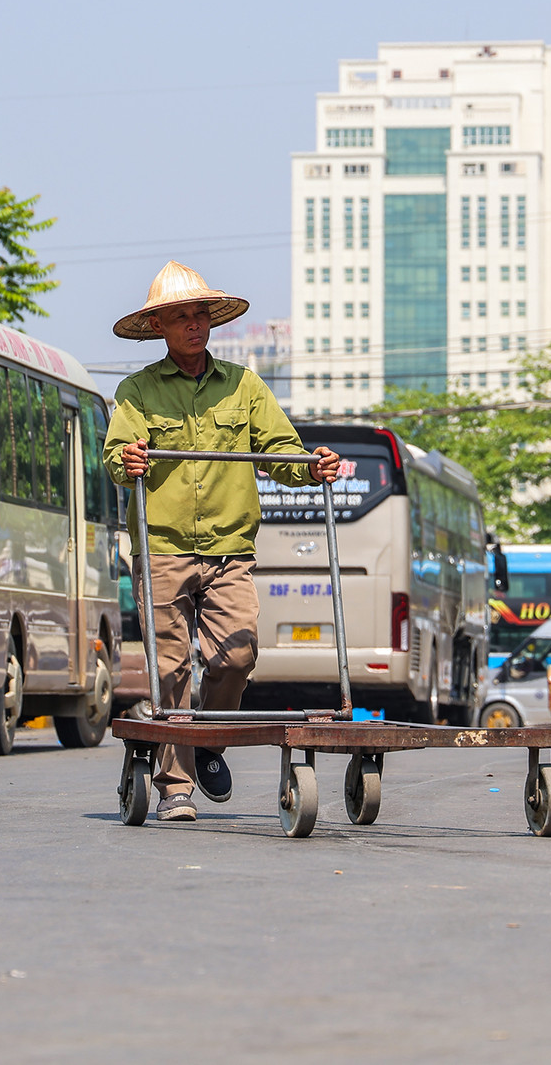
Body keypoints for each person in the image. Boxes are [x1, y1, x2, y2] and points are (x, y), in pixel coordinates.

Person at [104, 261, 341, 823]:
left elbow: (281, 451)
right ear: (160, 326)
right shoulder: (136, 391)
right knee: (170, 671)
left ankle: (211, 742)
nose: (193, 326)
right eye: (181, 317)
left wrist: (312, 468)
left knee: (238, 654)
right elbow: (116, 458)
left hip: (229, 546)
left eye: (200, 316)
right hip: (160, 546)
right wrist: (128, 459)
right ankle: (175, 786)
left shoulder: (244, 385)